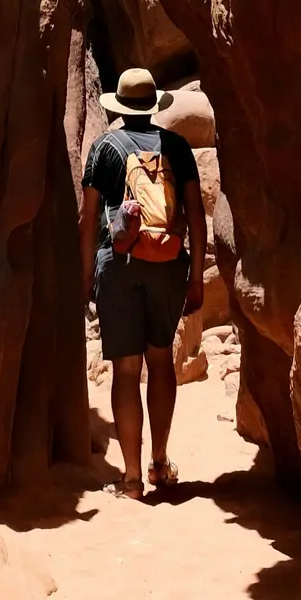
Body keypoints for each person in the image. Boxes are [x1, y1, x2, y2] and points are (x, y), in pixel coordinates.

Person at [79, 68, 206, 500]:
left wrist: (84, 279)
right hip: (169, 265)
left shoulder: (103, 149)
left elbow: (88, 218)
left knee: (127, 370)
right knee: (161, 363)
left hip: (119, 266)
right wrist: (195, 278)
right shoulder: (178, 148)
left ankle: (131, 479)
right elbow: (194, 213)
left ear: (119, 106)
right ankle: (160, 461)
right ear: (153, 106)